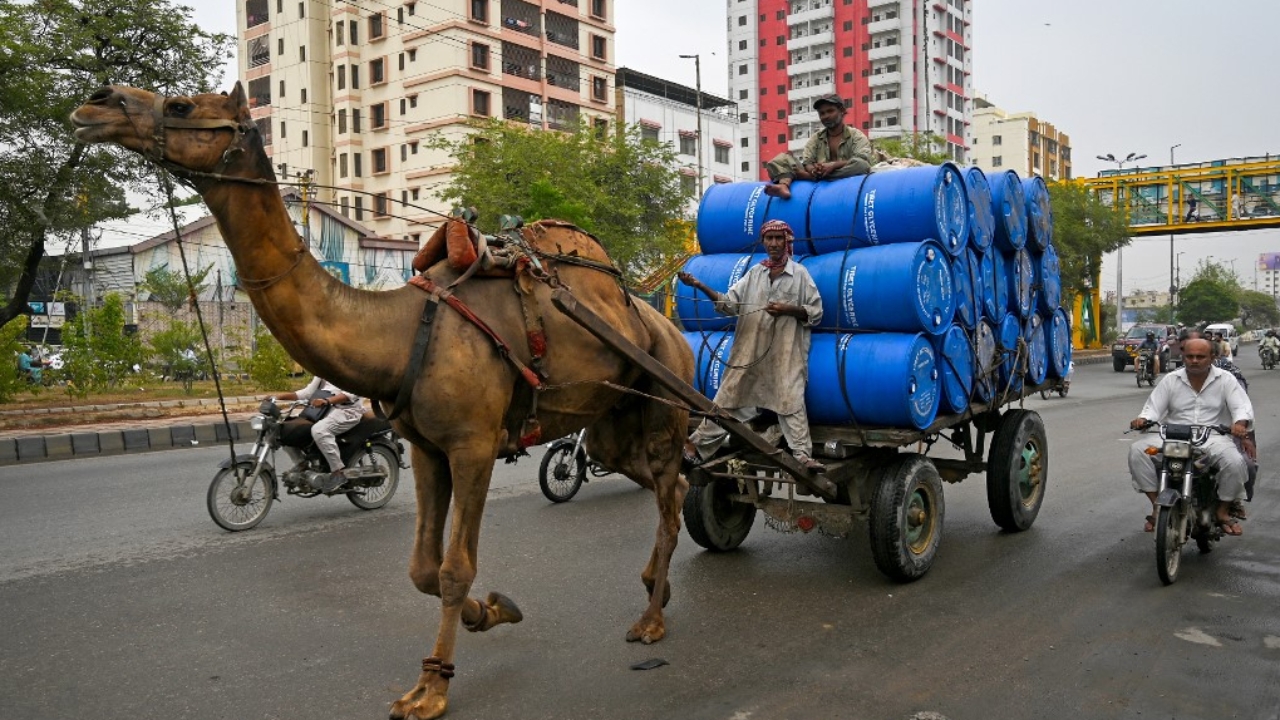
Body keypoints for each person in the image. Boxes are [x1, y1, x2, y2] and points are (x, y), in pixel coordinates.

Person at [678, 219, 826, 472]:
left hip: (785, 354)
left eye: (779, 239)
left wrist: (788, 309)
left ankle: (802, 455)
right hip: (749, 353)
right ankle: (695, 447)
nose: (774, 244)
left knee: (791, 399)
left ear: (787, 241)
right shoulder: (755, 274)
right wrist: (700, 286)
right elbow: (729, 304)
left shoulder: (799, 275)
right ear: (763, 242)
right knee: (728, 400)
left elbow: (816, 311)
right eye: (769, 239)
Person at [1128, 337, 1254, 536]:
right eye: (1190, 356)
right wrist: (1143, 419)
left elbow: (1241, 407)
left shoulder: (1225, 379)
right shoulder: (1171, 379)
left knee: (1235, 462)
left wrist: (1239, 424)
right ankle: (1156, 505)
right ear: (1183, 357)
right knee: (1137, 451)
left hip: (1212, 437)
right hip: (1174, 435)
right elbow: (1152, 408)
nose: (1194, 360)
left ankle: (1222, 511)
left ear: (1212, 357)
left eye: (1200, 356)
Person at [762, 95, 873, 201]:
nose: (826, 116)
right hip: (817, 174)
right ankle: (783, 185)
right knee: (781, 159)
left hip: (845, 174)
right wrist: (814, 171)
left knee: (862, 165)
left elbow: (862, 160)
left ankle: (810, 178)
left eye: (830, 111)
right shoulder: (816, 138)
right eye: (822, 113)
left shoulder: (856, 135)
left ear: (842, 111)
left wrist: (833, 165)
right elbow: (807, 162)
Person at [268, 377, 366, 493]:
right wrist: (278, 397)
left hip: (347, 411)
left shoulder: (348, 368)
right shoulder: (322, 371)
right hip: (322, 410)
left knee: (319, 431)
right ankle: (301, 463)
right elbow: (307, 393)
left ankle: (338, 472)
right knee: (285, 430)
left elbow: (352, 394)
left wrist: (327, 401)